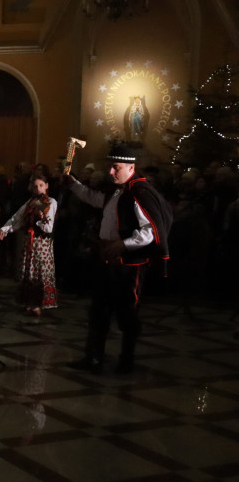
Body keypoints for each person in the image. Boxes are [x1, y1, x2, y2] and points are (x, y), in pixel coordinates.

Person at [65, 145, 172, 374]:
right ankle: (93, 358)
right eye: (110, 167)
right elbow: (94, 198)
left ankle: (126, 362)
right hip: (106, 260)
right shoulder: (118, 191)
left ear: (131, 167)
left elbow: (150, 231)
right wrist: (72, 182)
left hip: (128, 266)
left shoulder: (139, 192)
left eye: (116, 167)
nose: (111, 172)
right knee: (99, 310)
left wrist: (122, 244)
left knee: (127, 313)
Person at [0, 171, 58, 316]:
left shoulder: (51, 202)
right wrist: (5, 229)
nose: (38, 189)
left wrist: (39, 218)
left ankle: (38, 303)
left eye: (41, 185)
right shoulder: (30, 202)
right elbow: (17, 218)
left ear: (46, 186)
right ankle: (29, 302)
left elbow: (48, 227)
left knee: (40, 272)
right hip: (30, 242)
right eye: (35, 186)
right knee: (28, 272)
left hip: (42, 243)